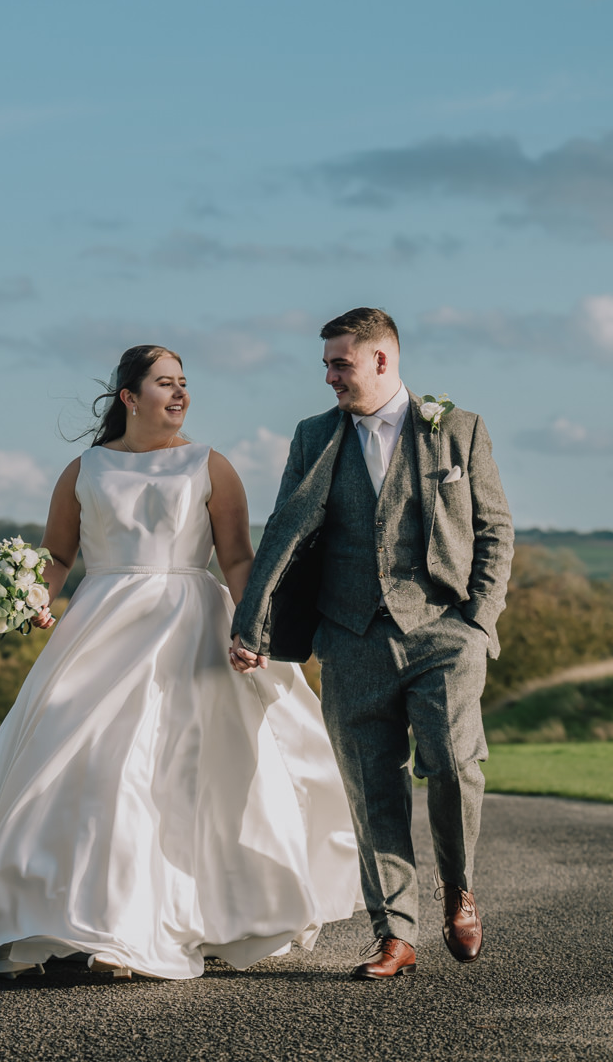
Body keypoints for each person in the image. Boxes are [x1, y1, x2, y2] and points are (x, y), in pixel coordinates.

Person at [0, 345, 362, 981]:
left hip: (190, 628)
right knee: (77, 763)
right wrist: (32, 597)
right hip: (100, 627)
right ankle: (41, 921)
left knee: (163, 770)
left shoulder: (211, 465)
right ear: (129, 397)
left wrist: (255, 627)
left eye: (184, 382)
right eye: (166, 382)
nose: (181, 393)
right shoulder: (84, 469)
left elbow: (238, 558)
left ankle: (138, 930)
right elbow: (57, 555)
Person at [230, 307, 513, 980]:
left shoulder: (459, 429)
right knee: (369, 787)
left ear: (382, 360)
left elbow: (495, 529)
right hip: (349, 635)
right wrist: (253, 623)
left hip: (444, 630)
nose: (329, 377)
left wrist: (479, 620)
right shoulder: (313, 436)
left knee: (453, 764)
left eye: (341, 364)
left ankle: (459, 888)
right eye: (327, 365)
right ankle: (396, 935)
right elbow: (284, 531)